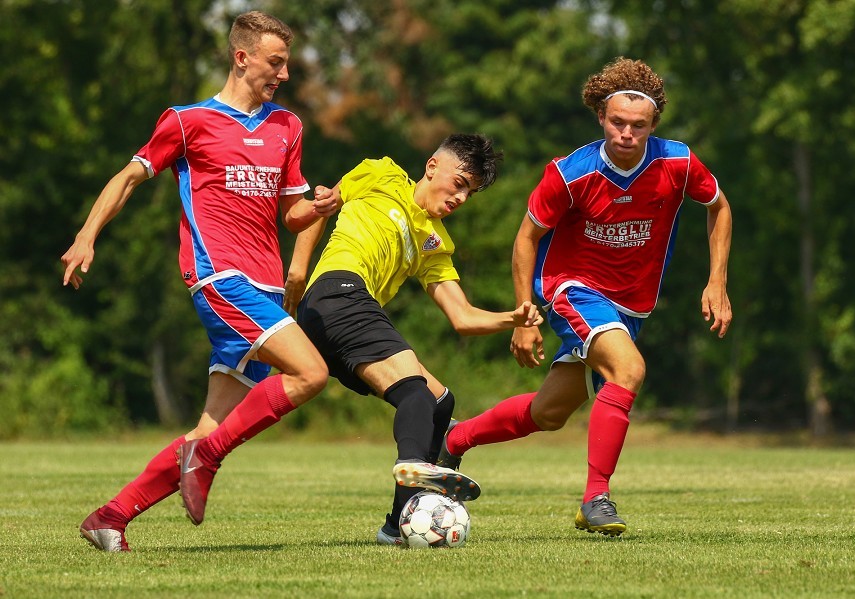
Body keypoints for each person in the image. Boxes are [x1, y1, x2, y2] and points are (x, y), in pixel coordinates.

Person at [177, 133, 543, 546]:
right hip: (337, 293)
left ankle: (395, 524)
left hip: (347, 318)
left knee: (440, 402)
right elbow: (321, 207)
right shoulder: (381, 173)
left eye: (470, 193)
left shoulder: (435, 240)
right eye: (459, 183)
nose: (461, 197)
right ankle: (414, 470)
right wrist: (297, 272)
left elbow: (462, 317)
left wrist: (513, 319)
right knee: (417, 396)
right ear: (432, 166)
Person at [61, 11, 334, 552]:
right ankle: (206, 461)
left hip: (267, 289)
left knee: (209, 429)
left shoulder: (288, 127)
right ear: (242, 57)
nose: (282, 74)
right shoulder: (188, 121)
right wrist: (87, 234)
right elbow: (127, 178)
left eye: (286, 64)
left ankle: (109, 518)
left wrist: (321, 206)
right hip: (219, 278)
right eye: (274, 62)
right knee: (311, 373)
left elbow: (293, 216)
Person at [427, 57, 733, 536]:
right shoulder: (571, 173)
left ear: (653, 125)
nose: (627, 133)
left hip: (631, 305)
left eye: (638, 125)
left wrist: (717, 281)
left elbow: (719, 206)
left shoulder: (678, 161)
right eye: (617, 122)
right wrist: (526, 317)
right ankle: (596, 498)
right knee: (629, 370)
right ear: (600, 118)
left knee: (551, 412)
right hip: (572, 289)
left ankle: (455, 439)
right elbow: (526, 239)